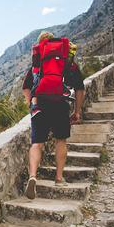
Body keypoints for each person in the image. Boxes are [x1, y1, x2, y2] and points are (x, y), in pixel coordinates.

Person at [22, 31, 85, 199]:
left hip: (39, 105)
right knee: (60, 140)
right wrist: (77, 111)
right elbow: (80, 88)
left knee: (37, 143)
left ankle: (33, 176)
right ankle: (58, 177)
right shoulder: (67, 61)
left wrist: (31, 104)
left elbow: (26, 87)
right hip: (60, 104)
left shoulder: (37, 63)